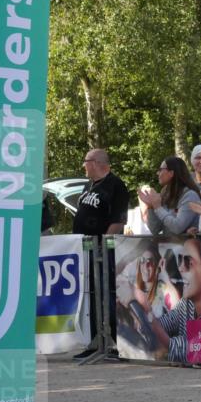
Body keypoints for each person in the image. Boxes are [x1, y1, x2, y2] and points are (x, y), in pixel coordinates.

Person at [72, 149, 130, 359]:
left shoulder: (116, 186)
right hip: (85, 249)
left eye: (86, 162)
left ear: (96, 163)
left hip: (103, 250)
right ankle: (95, 341)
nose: (83, 166)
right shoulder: (88, 186)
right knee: (91, 295)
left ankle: (118, 343)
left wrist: (105, 245)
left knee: (108, 294)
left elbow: (118, 220)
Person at [136, 236, 201, 364]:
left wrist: (148, 313)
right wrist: (145, 324)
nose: (181, 268)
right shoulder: (186, 304)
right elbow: (168, 322)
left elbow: (183, 349)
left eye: (188, 262)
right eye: (180, 260)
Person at [140, 156, 201, 235]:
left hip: (187, 246)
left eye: (160, 170)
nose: (157, 173)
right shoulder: (165, 194)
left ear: (171, 173)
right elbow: (155, 230)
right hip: (169, 246)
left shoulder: (190, 196)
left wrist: (158, 208)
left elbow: (177, 227)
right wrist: (151, 207)